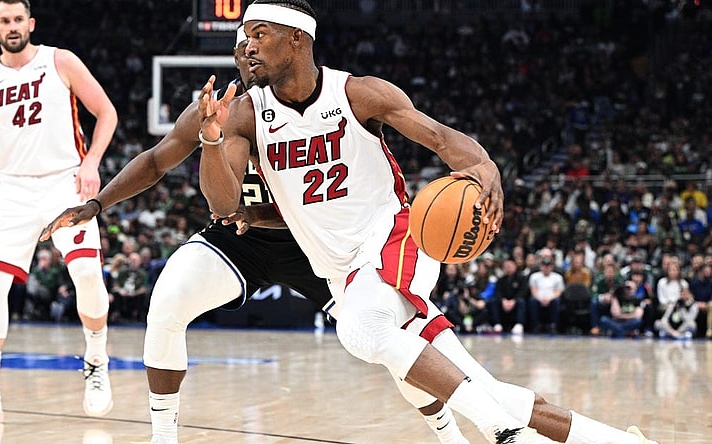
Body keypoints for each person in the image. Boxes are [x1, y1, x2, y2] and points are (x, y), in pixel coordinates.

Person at [196, 1, 659, 442]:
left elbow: (437, 137)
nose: (248, 46)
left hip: (396, 238)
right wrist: (212, 138)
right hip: (345, 275)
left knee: (360, 330)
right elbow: (221, 203)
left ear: (297, 39)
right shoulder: (246, 115)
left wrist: (484, 166)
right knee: (485, 388)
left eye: (259, 34)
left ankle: (501, 434)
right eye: (244, 38)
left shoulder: (358, 93)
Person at [41, 29, 470, 444]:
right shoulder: (220, 110)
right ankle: (163, 436)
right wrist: (96, 204)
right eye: (242, 48)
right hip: (239, 238)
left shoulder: (324, 104)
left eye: (258, 44)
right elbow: (155, 162)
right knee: (167, 303)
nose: (250, 54)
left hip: (320, 242)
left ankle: (449, 435)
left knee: (392, 341)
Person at [0, 0, 116, 426]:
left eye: (19, 19)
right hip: (13, 189)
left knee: (87, 274)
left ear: (30, 23)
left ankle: (96, 360)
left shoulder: (60, 61)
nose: (13, 26)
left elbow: (106, 112)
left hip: (64, 181)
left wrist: (91, 162)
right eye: (5, 20)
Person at [527, 257, 564, 334]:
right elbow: (533, 290)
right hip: (538, 298)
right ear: (541, 267)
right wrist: (540, 299)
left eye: (548, 266)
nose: (546, 268)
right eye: (544, 266)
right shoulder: (534, 276)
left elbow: (558, 292)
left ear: (551, 267)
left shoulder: (558, 277)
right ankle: (536, 325)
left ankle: (553, 325)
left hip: (552, 298)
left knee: (556, 301)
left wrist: (549, 299)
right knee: (532, 300)